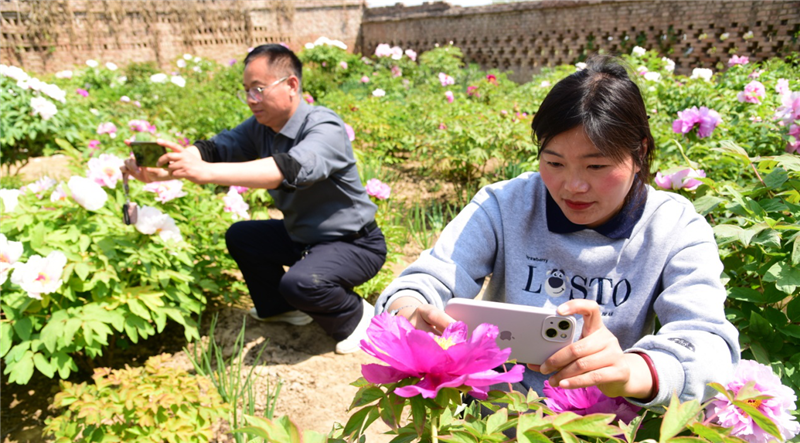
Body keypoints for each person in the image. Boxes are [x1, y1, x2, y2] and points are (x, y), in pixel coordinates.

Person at [375, 56, 740, 407]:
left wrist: (633, 371)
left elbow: (710, 344)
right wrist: (410, 314)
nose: (573, 186)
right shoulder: (505, 205)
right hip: (493, 422)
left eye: (596, 165)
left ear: (640, 153)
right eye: (554, 163)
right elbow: (427, 280)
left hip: (603, 434)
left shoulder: (673, 227)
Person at [123, 44, 386, 354]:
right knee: (242, 236)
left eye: (259, 90)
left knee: (301, 282)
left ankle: (357, 318)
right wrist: (167, 167)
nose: (251, 100)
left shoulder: (323, 126)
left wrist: (202, 172)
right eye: (247, 90)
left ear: (291, 85)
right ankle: (282, 309)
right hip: (304, 237)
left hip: (354, 243)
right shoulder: (260, 128)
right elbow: (214, 149)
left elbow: (288, 168)